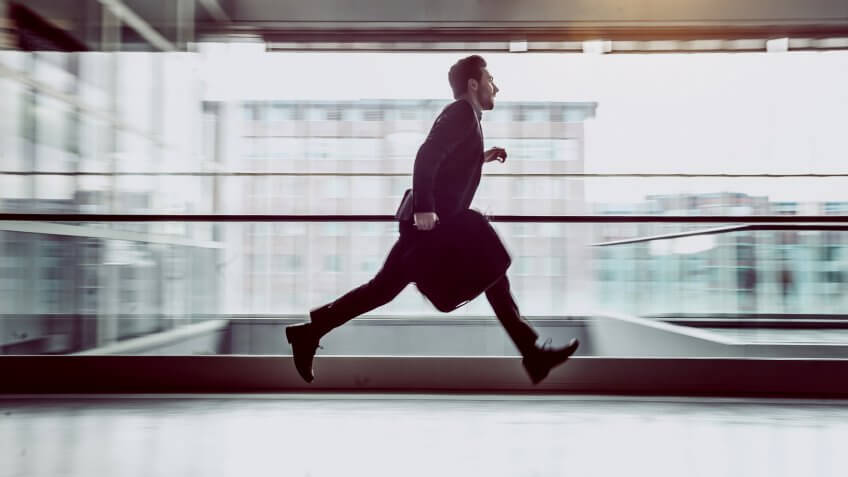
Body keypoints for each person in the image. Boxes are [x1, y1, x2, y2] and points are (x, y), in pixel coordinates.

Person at [286, 55, 579, 385]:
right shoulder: (461, 113)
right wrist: (425, 207)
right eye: (490, 79)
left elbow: (448, 161)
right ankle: (532, 353)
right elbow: (427, 155)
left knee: (386, 289)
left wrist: (479, 157)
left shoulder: (467, 118)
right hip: (429, 229)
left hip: (431, 228)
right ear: (473, 83)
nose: (495, 86)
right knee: (478, 261)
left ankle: (309, 333)